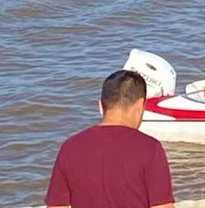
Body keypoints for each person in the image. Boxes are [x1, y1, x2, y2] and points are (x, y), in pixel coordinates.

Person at [45, 70, 175, 208]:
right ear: (140, 105)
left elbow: (55, 206)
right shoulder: (150, 148)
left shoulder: (70, 147)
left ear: (101, 106)